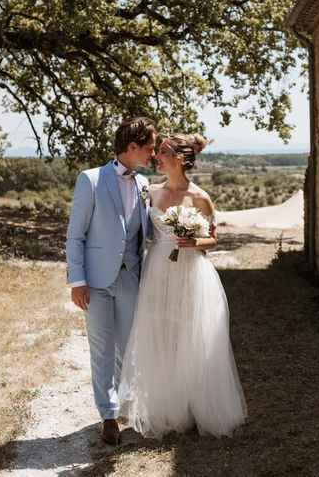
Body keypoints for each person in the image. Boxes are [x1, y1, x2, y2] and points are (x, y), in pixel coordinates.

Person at [118, 133, 247, 439]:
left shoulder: (200, 197)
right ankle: (166, 408)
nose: (156, 158)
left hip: (191, 272)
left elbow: (213, 239)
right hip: (158, 270)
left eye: (161, 153)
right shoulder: (151, 192)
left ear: (178, 158)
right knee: (161, 335)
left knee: (190, 335)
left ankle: (193, 408)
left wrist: (194, 240)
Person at [65, 117, 156, 445]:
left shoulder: (144, 184)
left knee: (128, 347)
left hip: (131, 278)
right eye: (149, 147)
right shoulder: (90, 180)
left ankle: (125, 404)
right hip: (97, 282)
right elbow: (75, 235)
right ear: (132, 147)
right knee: (102, 349)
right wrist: (77, 281)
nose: (153, 153)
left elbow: (149, 233)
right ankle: (108, 415)